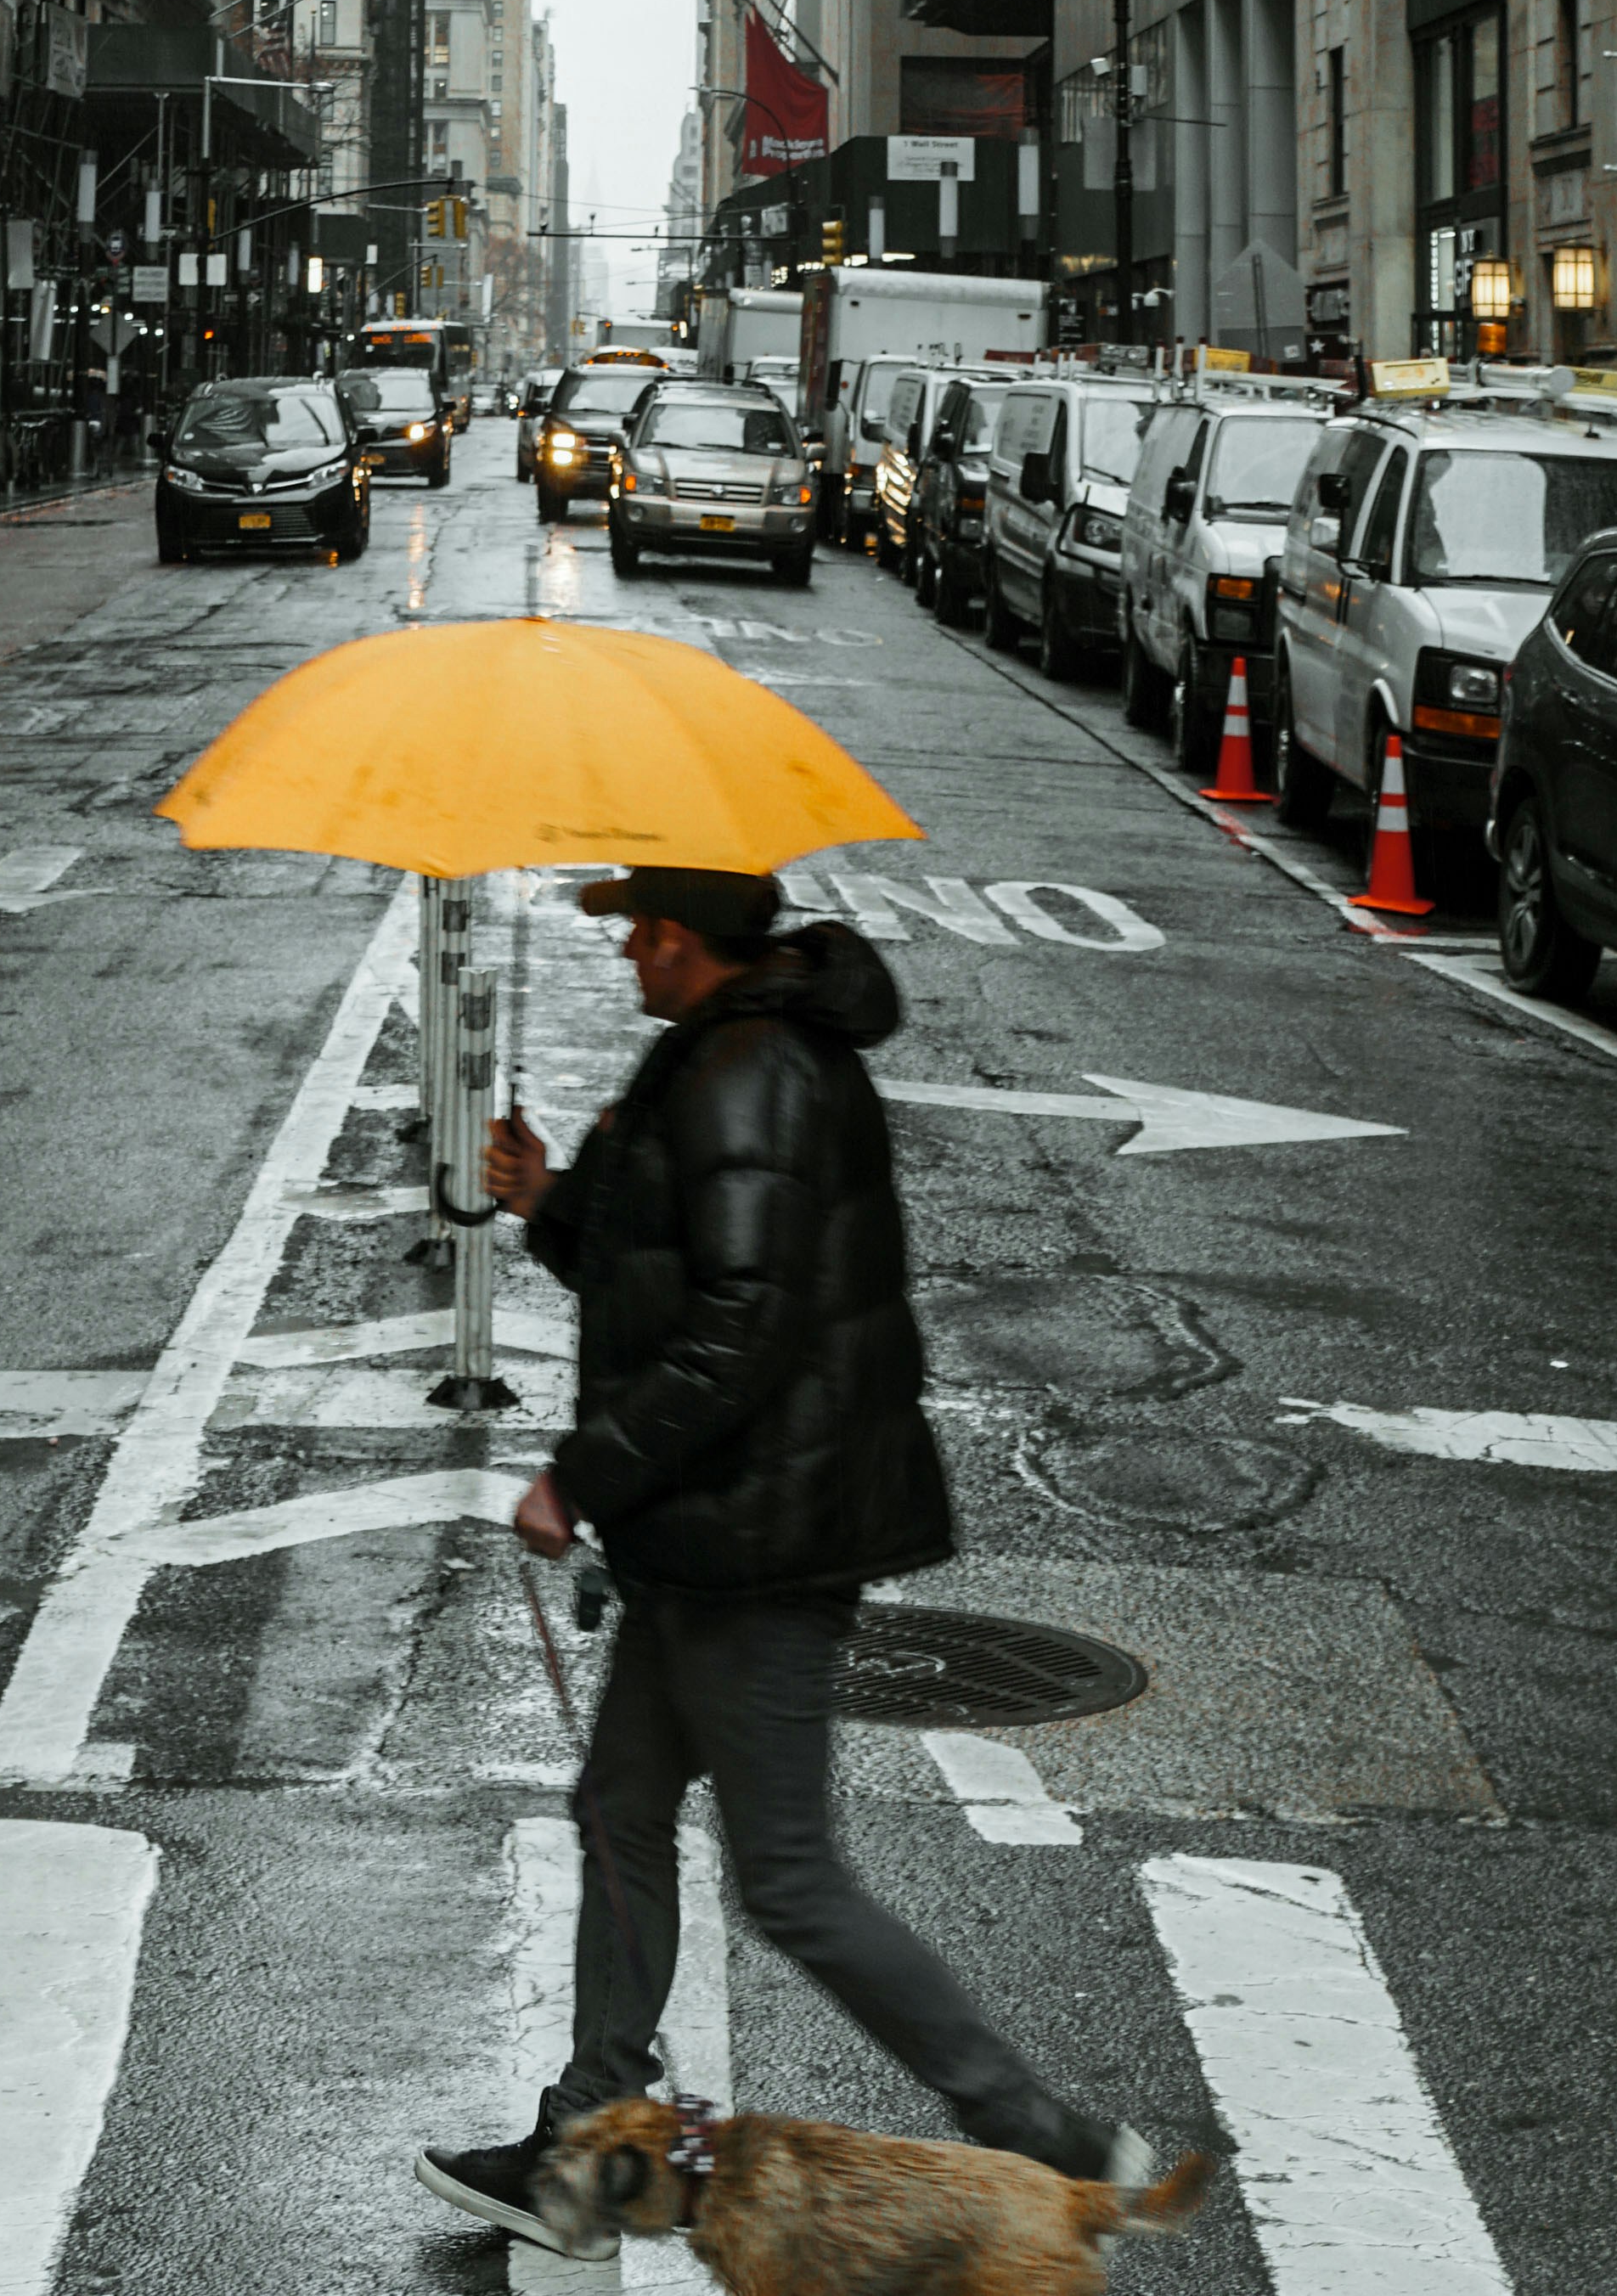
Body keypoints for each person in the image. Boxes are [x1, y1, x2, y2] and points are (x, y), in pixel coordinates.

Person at [418, 867, 1152, 2250]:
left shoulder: (751, 1066)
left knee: (790, 1877)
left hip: (757, 1540)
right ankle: (587, 2143)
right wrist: (555, 1198)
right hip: (708, 1534)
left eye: (638, 926)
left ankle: (1045, 2137)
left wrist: (579, 1475)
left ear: (685, 939)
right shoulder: (725, 1047)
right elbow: (680, 1267)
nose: (626, 947)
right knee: (621, 1804)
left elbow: (743, 1329)